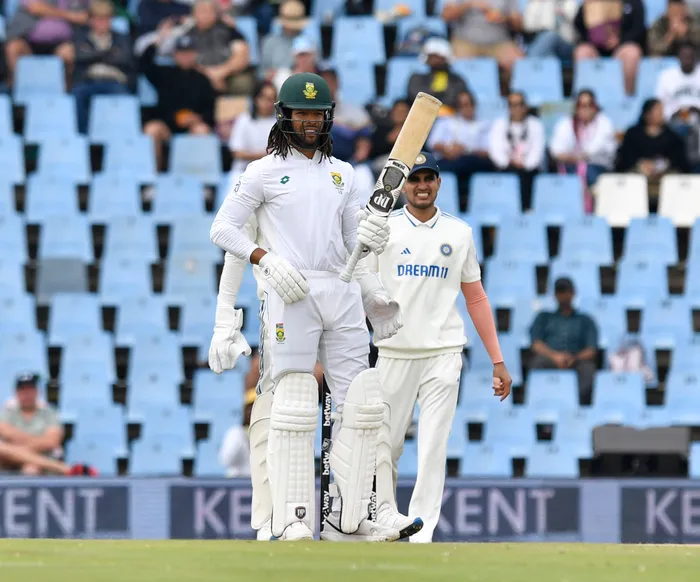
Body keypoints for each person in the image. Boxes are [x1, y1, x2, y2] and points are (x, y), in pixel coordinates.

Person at [209, 72, 413, 542]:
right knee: (295, 401)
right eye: (301, 114)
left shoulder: (345, 174)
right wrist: (265, 259)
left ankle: (351, 518)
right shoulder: (261, 172)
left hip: (340, 291)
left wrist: (373, 283)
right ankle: (291, 517)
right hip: (290, 290)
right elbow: (222, 229)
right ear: (284, 116)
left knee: (363, 403)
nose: (309, 122)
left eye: (317, 114)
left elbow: (353, 247)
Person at [362, 152, 512, 543]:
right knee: (386, 445)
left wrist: (497, 360)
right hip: (394, 352)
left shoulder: (459, 232)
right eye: (414, 179)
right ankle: (385, 518)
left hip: (443, 353)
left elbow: (476, 297)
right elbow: (362, 287)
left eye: (428, 179)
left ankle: (422, 529)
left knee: (433, 446)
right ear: (403, 186)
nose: (422, 186)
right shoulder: (384, 228)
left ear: (439, 183)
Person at [140, 33, 216, 171]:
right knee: (152, 129)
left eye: (188, 53)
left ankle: (198, 178)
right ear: (175, 55)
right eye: (181, 53)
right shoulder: (164, 74)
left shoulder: (203, 80)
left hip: (191, 127)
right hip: (167, 126)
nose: (185, 57)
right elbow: (144, 63)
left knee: (202, 131)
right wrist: (158, 40)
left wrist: (197, 118)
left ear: (195, 54)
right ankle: (153, 176)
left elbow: (211, 109)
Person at [0, 373, 97, 476]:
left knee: (30, 469)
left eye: (30, 390)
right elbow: (6, 432)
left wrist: (16, 451)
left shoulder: (50, 413)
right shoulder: (7, 413)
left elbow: (51, 441)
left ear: (37, 391)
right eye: (23, 390)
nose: (27, 394)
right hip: (9, 462)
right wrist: (39, 441)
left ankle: (59, 468)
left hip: (41, 458)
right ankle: (63, 468)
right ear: (16, 393)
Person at [529, 277, 598, 405]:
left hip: (576, 360)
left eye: (566, 291)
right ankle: (542, 403)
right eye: (560, 291)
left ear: (573, 293)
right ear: (555, 294)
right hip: (550, 358)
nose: (563, 295)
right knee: (538, 363)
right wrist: (554, 356)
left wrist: (574, 358)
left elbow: (591, 349)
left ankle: (576, 404)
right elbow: (536, 344)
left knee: (588, 369)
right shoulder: (544, 317)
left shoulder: (585, 320)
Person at [71, 0, 134, 135]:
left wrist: (93, 54)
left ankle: (122, 136)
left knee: (123, 95)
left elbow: (124, 59)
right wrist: (109, 53)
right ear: (91, 20)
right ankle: (82, 136)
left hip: (115, 81)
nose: (102, 23)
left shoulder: (122, 38)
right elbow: (80, 57)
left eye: (106, 19)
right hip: (88, 80)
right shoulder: (80, 36)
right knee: (77, 94)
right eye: (98, 19)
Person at [549, 89, 617, 212]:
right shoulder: (566, 123)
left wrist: (572, 157)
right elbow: (555, 150)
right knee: (560, 178)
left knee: (587, 172)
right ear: (576, 107)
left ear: (595, 107)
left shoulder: (604, 122)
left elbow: (594, 150)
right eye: (582, 105)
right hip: (571, 167)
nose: (586, 109)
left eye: (589, 105)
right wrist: (575, 158)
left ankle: (591, 210)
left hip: (597, 168)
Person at [616, 98, 690, 207]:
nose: (661, 114)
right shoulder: (633, 134)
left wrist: (662, 165)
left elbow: (680, 160)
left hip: (664, 178)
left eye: (661, 110)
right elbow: (624, 157)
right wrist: (640, 164)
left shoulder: (672, 136)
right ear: (647, 113)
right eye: (657, 110)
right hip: (639, 176)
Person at [427, 89, 492, 210]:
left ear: (474, 105)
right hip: (448, 159)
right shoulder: (445, 122)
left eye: (469, 104)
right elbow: (433, 143)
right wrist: (448, 149)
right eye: (462, 105)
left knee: (469, 162)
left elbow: (487, 150)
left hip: (472, 160)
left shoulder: (483, 125)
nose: (466, 108)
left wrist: (465, 150)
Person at [4, 0, 88, 87]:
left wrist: (48, 11)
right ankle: (15, 89)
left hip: (60, 44)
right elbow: (36, 7)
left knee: (68, 53)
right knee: (13, 47)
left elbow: (83, 16)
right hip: (29, 43)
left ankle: (66, 90)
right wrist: (70, 15)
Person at [487, 90, 545, 211]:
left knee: (526, 177)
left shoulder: (536, 124)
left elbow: (537, 152)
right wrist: (508, 162)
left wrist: (525, 164)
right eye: (513, 105)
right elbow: (495, 150)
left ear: (525, 107)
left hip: (528, 171)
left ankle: (526, 210)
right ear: (508, 107)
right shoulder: (499, 124)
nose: (517, 108)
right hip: (506, 169)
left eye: (520, 104)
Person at [572, 0, 646, 95]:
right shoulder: (591, 2)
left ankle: (627, 97)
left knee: (632, 53)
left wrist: (618, 41)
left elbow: (638, 29)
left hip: (622, 47)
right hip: (596, 48)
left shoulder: (633, 3)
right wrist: (597, 40)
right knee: (582, 52)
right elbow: (579, 26)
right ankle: (585, 98)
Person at [440, 0, 523, 81]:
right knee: (453, 63)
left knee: (520, 64)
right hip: (465, 41)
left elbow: (518, 24)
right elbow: (446, 16)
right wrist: (468, 4)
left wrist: (503, 17)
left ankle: (507, 90)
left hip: (499, 42)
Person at [406, 37, 469, 115]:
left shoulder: (457, 80)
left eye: (439, 57)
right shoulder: (417, 78)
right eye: (432, 57)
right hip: (422, 116)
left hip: (451, 118)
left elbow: (458, 99)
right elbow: (415, 97)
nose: (435, 60)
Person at [228, 80, 277, 178]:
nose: (269, 103)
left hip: (272, 173)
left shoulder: (279, 122)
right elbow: (237, 153)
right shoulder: (243, 120)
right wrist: (265, 155)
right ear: (256, 99)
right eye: (266, 98)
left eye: (272, 99)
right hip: (243, 172)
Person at [259, 0, 309, 80]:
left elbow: (314, 71)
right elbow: (261, 73)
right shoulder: (270, 42)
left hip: (302, 82)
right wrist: (270, 74)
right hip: (274, 83)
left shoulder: (308, 42)